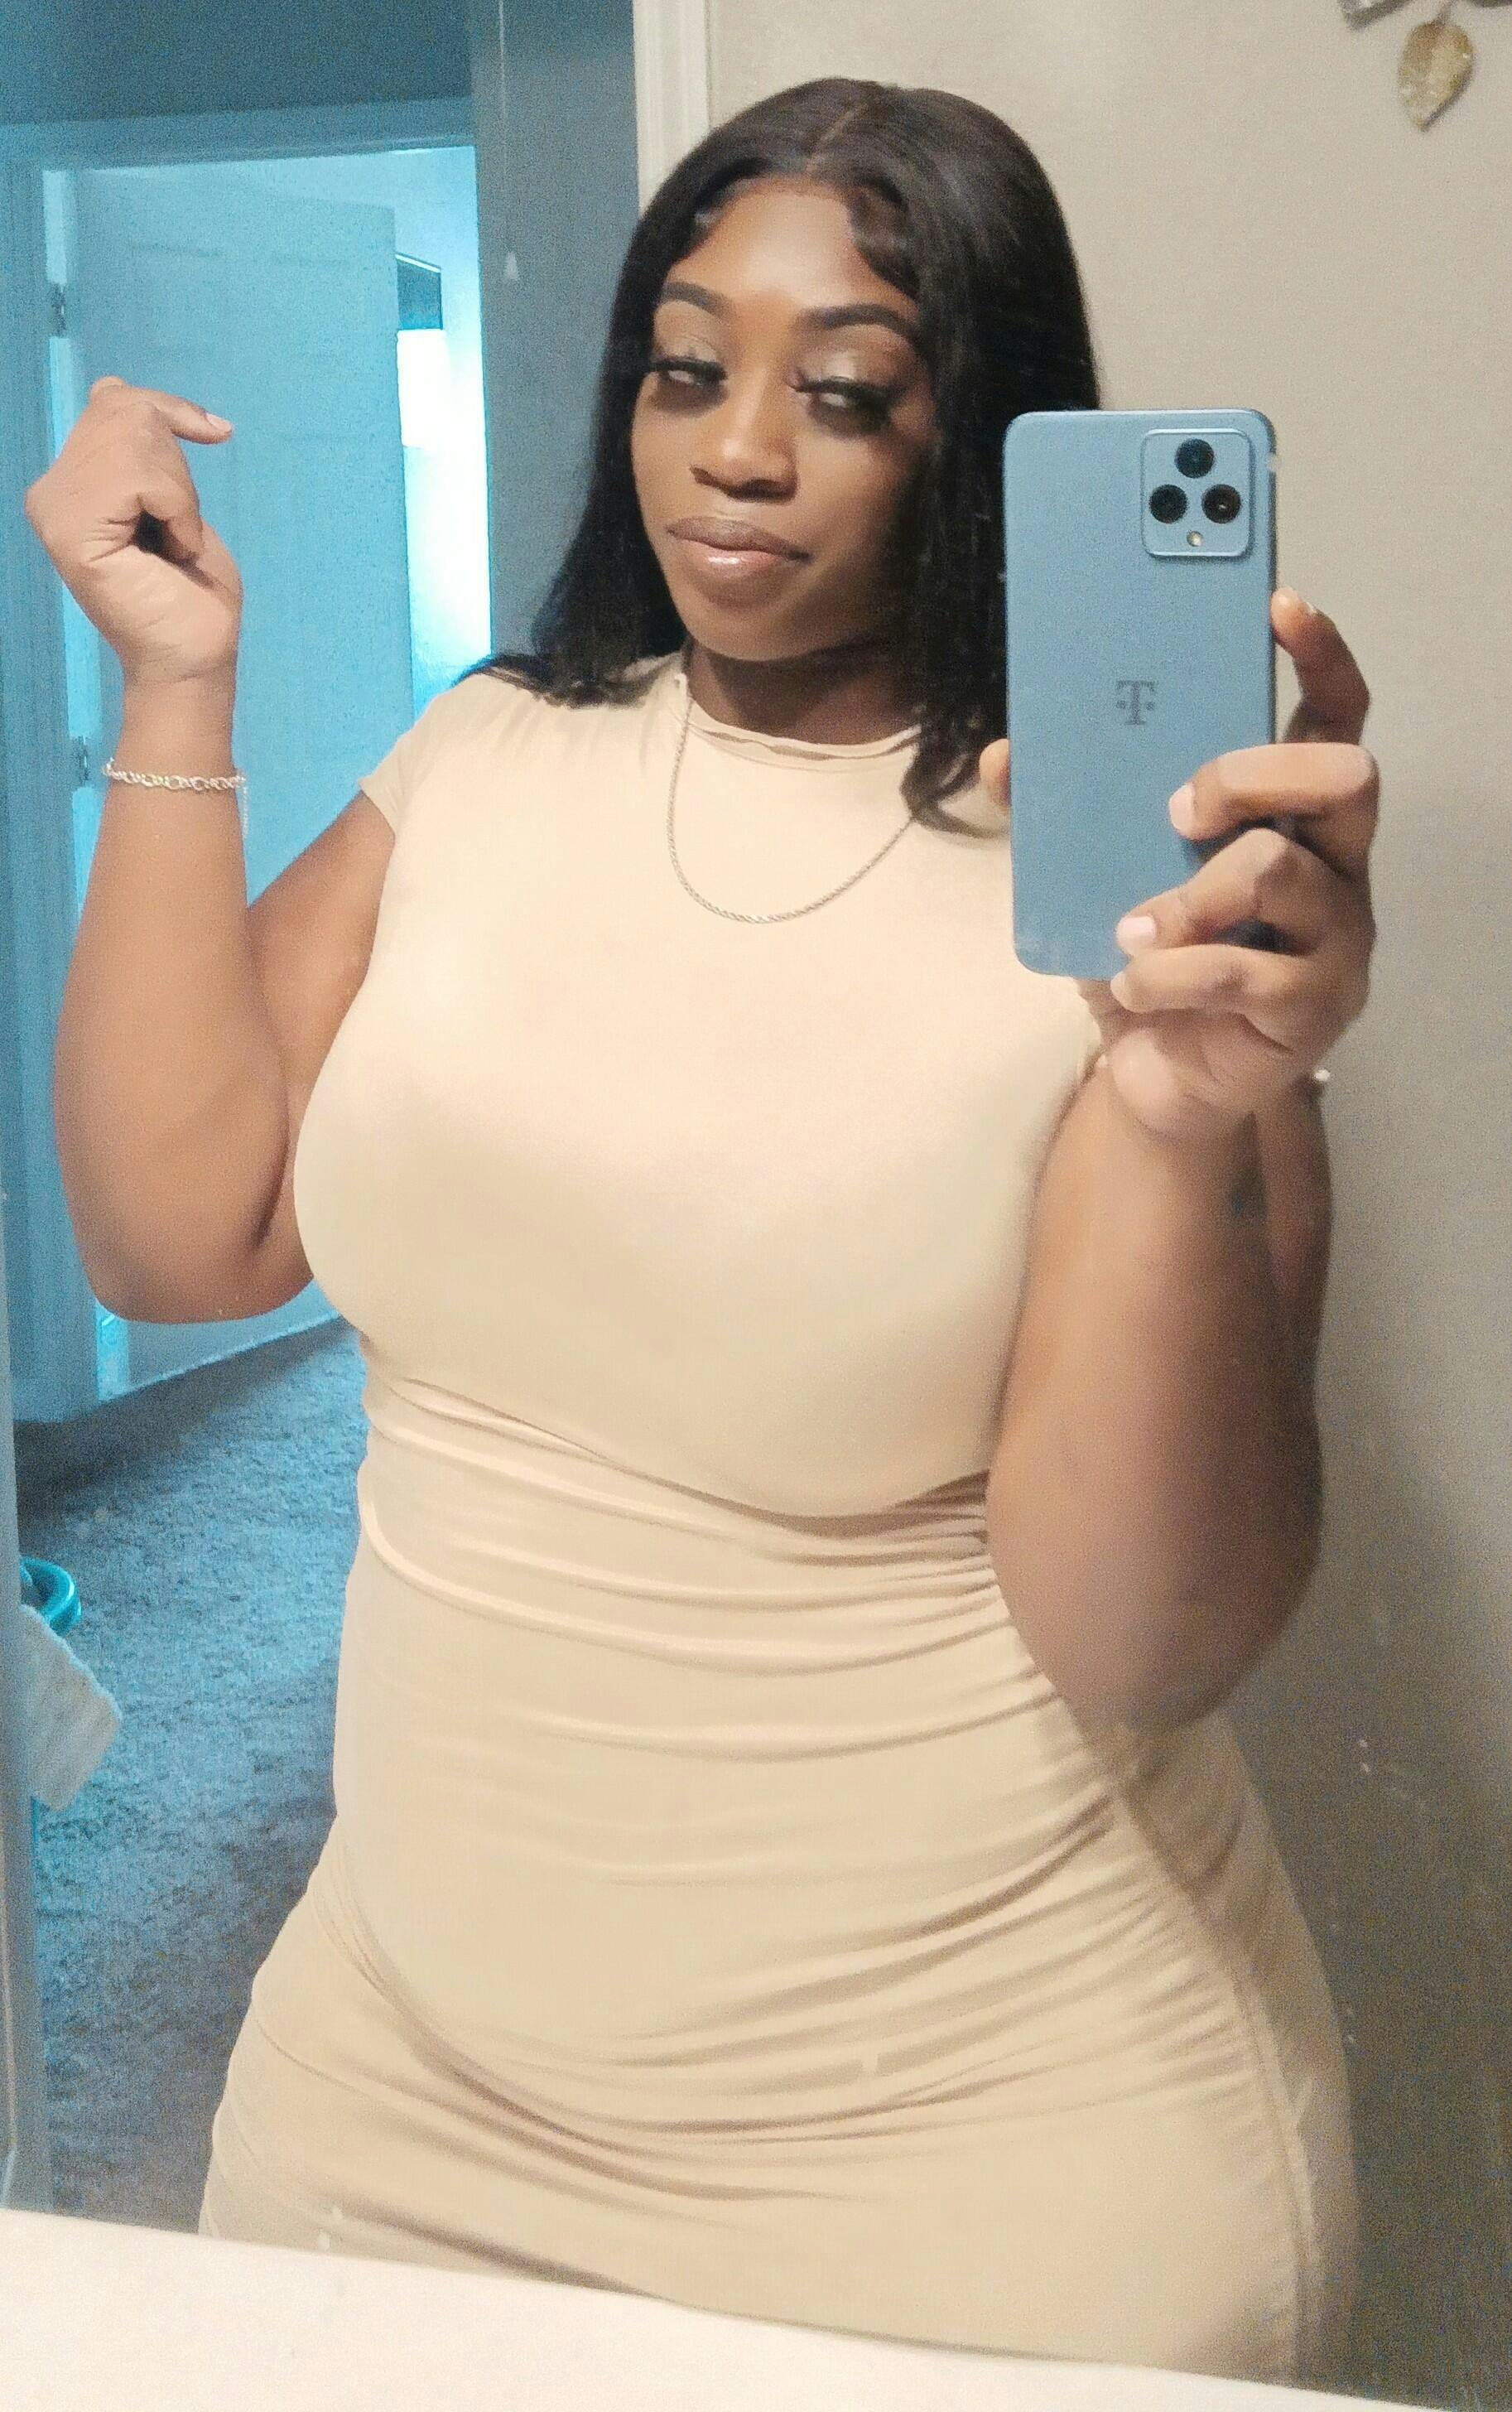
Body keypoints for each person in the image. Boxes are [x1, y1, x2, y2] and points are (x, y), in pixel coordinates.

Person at [27, 76, 1378, 2390]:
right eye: (683, 366)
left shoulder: (1138, 915)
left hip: (977, 2159)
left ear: (977, 442)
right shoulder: (488, 759)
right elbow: (179, 1236)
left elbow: (1146, 1636)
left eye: (844, 392)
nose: (735, 452)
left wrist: (1182, 1116)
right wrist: (175, 679)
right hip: (390, 2086)